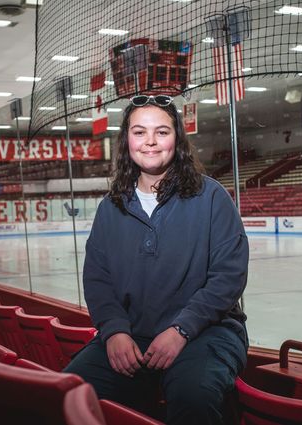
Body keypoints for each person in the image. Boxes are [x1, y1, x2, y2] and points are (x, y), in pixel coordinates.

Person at [64, 94, 249, 425]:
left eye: (161, 132)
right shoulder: (112, 206)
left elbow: (228, 276)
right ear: (127, 140)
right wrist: (114, 331)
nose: (150, 142)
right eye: (139, 132)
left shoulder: (211, 197)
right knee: (69, 392)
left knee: (194, 399)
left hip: (206, 331)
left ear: (177, 139)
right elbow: (97, 278)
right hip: (132, 334)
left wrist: (182, 329)